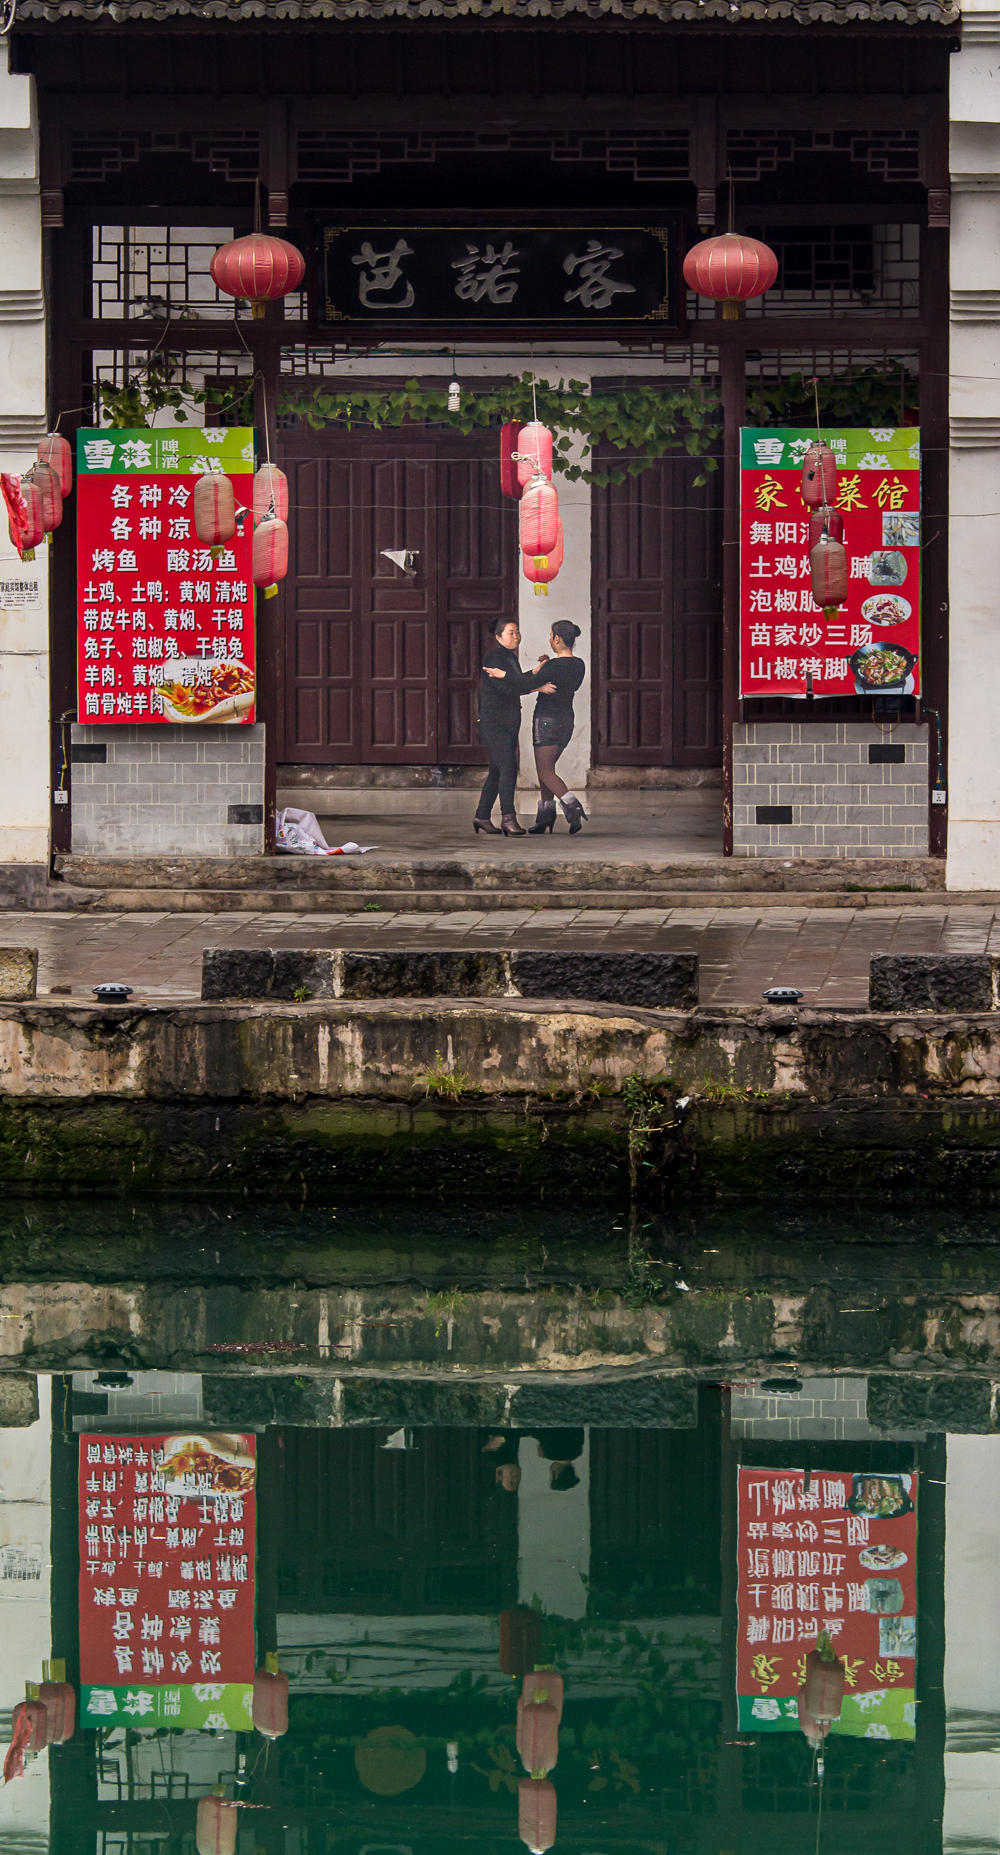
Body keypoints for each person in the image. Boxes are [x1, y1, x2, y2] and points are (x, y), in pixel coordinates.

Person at [475, 618, 555, 838]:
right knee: (509, 767)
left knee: (497, 769)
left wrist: (536, 672)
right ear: (498, 637)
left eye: (517, 632)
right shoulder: (494, 658)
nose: (516, 636)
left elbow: (516, 681)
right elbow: (509, 689)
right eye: (510, 633)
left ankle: (482, 816)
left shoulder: (509, 658)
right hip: (494, 721)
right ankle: (508, 818)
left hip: (510, 721)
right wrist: (537, 685)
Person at [527, 621, 587, 835]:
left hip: (545, 720)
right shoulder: (579, 664)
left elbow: (524, 684)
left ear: (557, 639)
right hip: (566, 721)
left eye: (551, 635)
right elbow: (563, 679)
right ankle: (545, 817)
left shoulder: (553, 667)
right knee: (547, 770)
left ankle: (573, 805)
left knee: (544, 771)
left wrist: (538, 681)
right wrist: (546, 668)